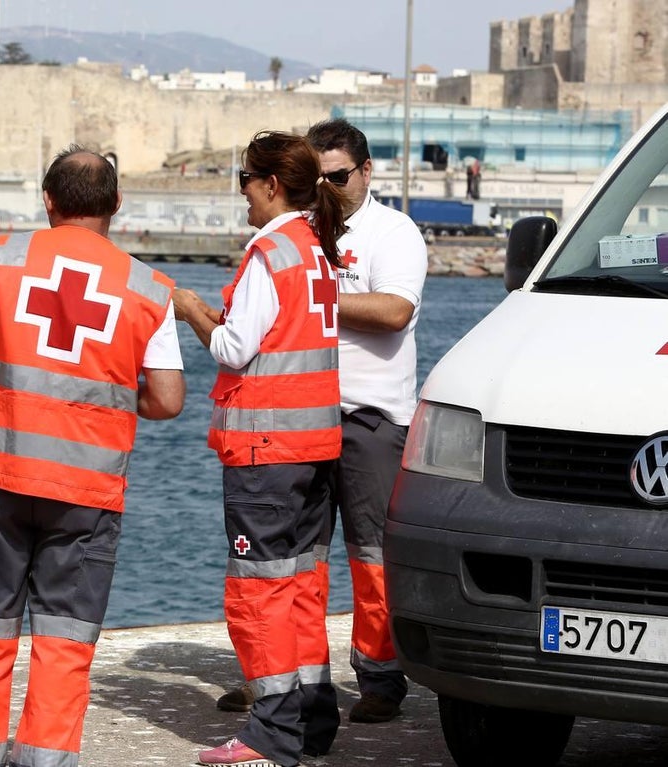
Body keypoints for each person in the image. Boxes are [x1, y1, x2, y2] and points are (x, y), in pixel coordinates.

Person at [0, 146, 185, 767]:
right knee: (65, 638)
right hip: (88, 491)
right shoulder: (147, 288)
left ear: (48, 200)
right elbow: (168, 400)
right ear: (117, 206)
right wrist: (113, 397)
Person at [173, 130, 347, 767]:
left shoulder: (269, 254)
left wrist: (191, 309)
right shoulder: (318, 251)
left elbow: (232, 349)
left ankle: (272, 733)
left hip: (264, 452)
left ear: (271, 185)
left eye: (243, 179)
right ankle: (312, 719)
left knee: (260, 591)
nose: (241, 192)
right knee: (303, 587)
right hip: (316, 446)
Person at [305, 117, 427, 725]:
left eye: (339, 175)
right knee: (297, 559)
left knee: (371, 556)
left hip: (371, 420)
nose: (327, 187)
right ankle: (295, 680)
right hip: (301, 413)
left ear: (367, 171)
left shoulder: (394, 232)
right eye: (317, 176)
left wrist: (313, 293)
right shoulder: (297, 233)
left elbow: (394, 310)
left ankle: (380, 679)